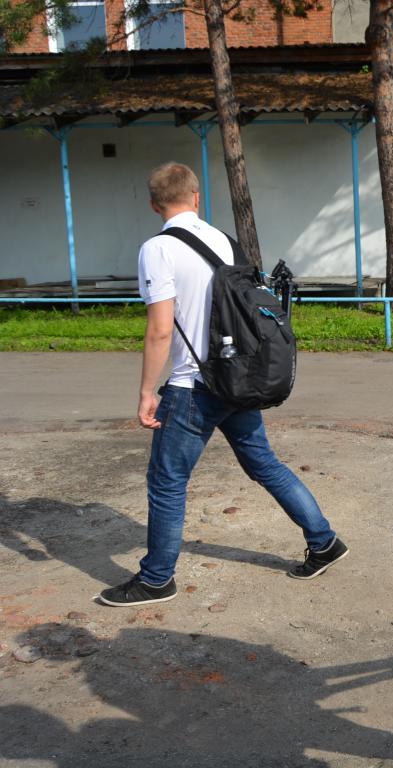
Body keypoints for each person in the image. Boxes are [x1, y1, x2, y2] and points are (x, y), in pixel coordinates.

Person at [97, 162, 347, 608]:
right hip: (236, 378)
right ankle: (323, 541)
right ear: (196, 198)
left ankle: (156, 579)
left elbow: (160, 329)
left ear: (154, 204)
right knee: (265, 465)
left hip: (193, 386)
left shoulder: (158, 249)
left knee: (167, 481)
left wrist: (146, 392)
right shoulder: (226, 242)